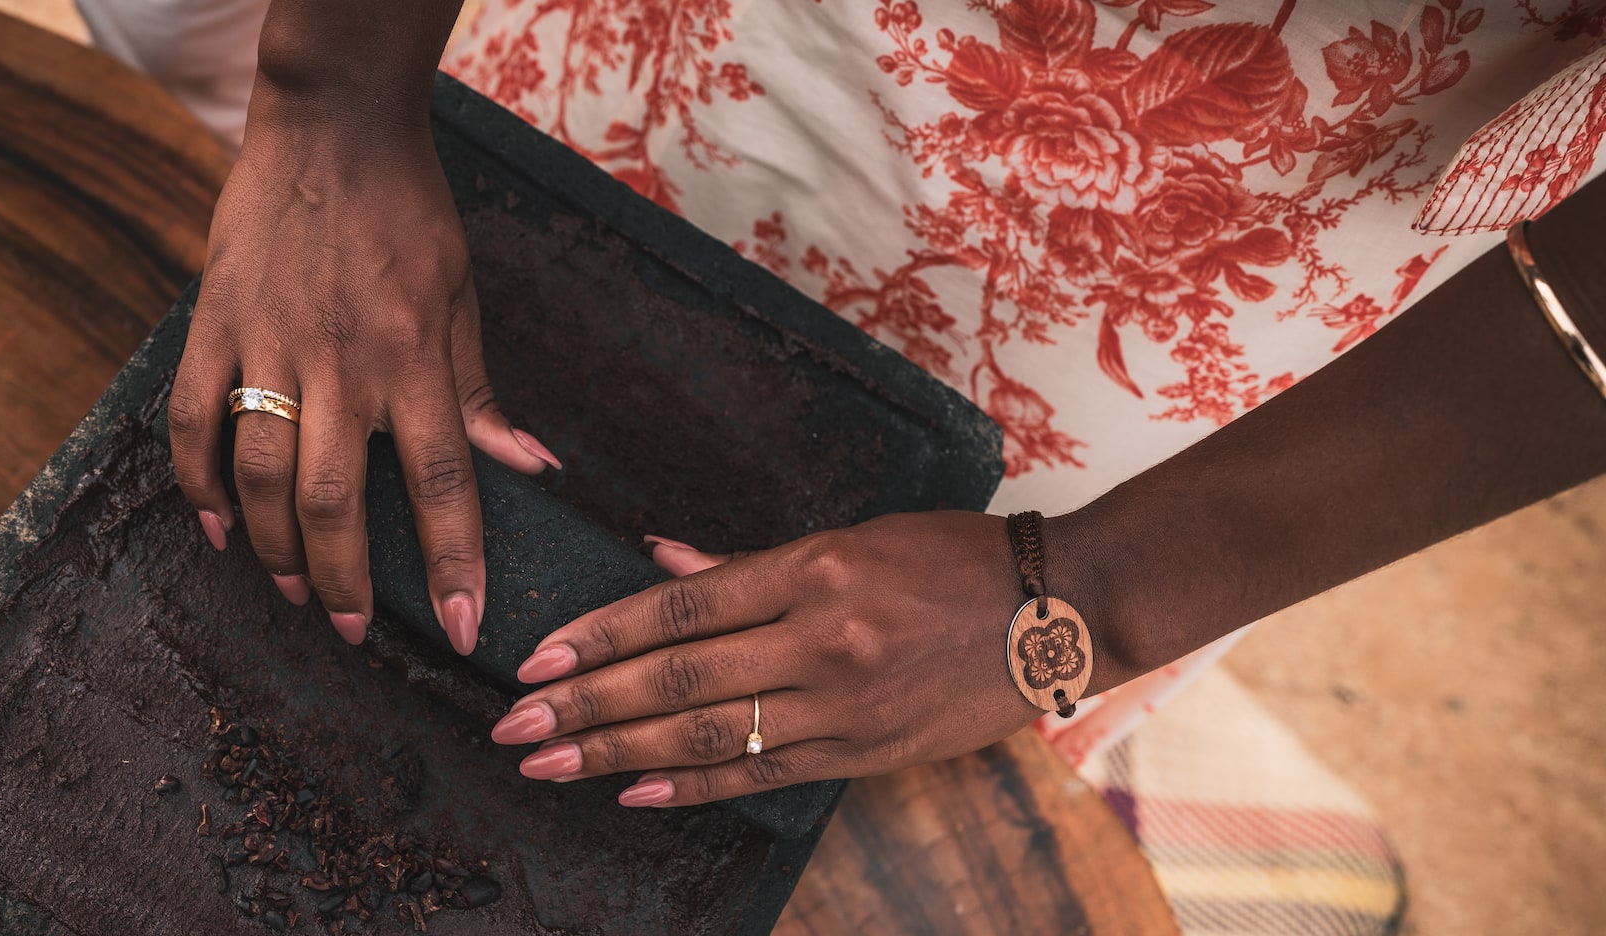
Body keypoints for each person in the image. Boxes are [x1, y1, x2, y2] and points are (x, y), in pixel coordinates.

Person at [84, 0, 1606, 808]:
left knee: (783, 812)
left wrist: (1096, 597)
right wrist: (334, 83)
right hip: (646, 64)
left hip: (1161, 341)